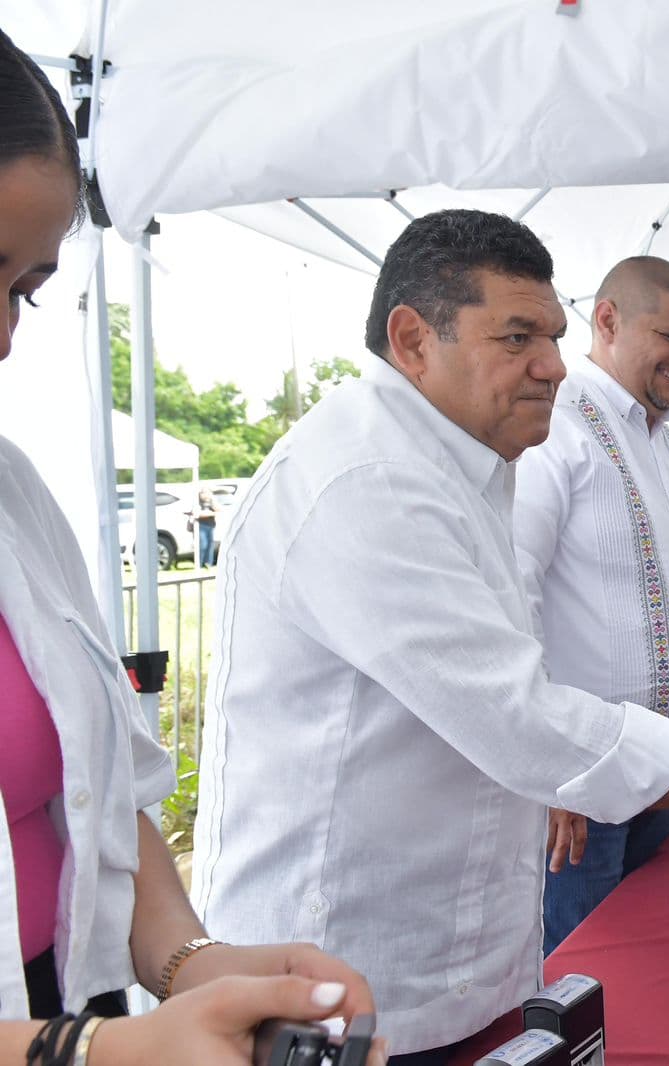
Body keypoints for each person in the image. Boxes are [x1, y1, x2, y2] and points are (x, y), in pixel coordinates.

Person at [191, 209, 669, 1064]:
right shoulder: (365, 481)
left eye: (551, 337)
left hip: (466, 960)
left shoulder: (486, 460)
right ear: (412, 340)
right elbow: (523, 722)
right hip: (348, 985)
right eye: (518, 337)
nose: (552, 367)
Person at [0, 29, 379, 1065]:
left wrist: (198, 965)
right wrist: (87, 1054)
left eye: (27, 291)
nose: (2, 336)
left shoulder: (17, 496)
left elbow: (107, 794)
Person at [512, 256, 669, 956]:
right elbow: (514, 594)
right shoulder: (556, 425)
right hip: (584, 787)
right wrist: (548, 768)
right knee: (587, 979)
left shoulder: (666, 447)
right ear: (607, 321)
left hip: (660, 772)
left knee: (653, 971)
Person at [191, 489, 218, 567]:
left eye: (207, 493)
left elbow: (219, 510)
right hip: (201, 526)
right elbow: (197, 513)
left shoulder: (211, 503)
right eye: (203, 493)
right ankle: (200, 563)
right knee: (203, 544)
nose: (205, 495)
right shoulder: (198, 502)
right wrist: (210, 513)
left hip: (211, 525)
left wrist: (212, 500)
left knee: (210, 545)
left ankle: (208, 563)